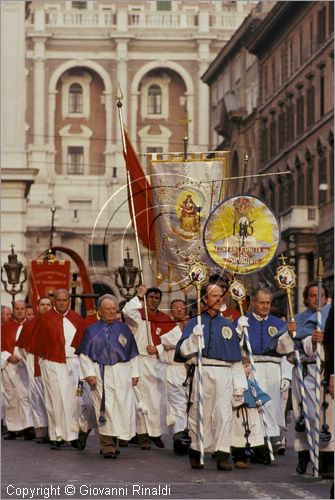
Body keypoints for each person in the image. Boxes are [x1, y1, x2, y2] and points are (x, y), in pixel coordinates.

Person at [175, 279, 247, 471]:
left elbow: (235, 359)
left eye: (220, 296)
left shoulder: (228, 325)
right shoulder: (194, 322)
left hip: (224, 374)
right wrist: (192, 339)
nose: (218, 299)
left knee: (224, 415)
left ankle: (223, 454)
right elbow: (181, 353)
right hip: (202, 370)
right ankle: (196, 451)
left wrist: (239, 385)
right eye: (214, 296)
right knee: (199, 413)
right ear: (205, 299)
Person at [272, 282, 330, 475]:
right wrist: (291, 333)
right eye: (313, 295)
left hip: (326, 371)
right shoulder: (298, 319)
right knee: (304, 415)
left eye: (320, 295)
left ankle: (324, 457)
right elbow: (283, 348)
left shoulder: (331, 316)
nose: (317, 299)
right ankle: (304, 455)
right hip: (305, 371)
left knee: (324, 417)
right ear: (307, 298)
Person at [76, 295, 139, 458]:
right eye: (108, 309)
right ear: (99, 312)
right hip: (101, 373)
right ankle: (107, 445)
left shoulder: (124, 329)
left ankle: (114, 442)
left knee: (120, 408)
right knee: (104, 408)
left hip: (122, 373)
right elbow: (84, 356)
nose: (112, 312)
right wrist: (89, 374)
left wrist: (135, 373)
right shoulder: (92, 330)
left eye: (113, 309)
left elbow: (133, 354)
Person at [123, 285, 180, 450]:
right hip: (139, 361)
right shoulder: (138, 315)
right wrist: (138, 296)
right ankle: (143, 436)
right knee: (141, 401)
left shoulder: (164, 318)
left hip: (156, 363)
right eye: (150, 297)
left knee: (158, 402)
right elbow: (127, 312)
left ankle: (156, 433)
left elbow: (177, 338)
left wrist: (158, 347)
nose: (154, 300)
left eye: (157, 298)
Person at [233, 288, 286, 454]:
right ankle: (257, 442)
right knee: (255, 406)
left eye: (268, 303)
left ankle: (272, 439)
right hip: (252, 367)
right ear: (253, 303)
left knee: (273, 406)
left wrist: (286, 375)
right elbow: (233, 345)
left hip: (273, 368)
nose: (265, 306)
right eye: (261, 302)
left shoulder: (279, 324)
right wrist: (239, 331)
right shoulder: (243, 320)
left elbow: (288, 351)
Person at [29, 289, 83, 450]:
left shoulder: (77, 318)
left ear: (69, 301)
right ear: (55, 301)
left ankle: (73, 435)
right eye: (58, 300)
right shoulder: (45, 319)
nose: (61, 303)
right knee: (55, 400)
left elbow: (84, 342)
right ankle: (57, 435)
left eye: (64, 300)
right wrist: (43, 362)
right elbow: (37, 344)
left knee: (74, 401)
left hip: (74, 363)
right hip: (52, 363)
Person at [147, 299, 189, 455]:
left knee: (191, 404)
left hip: (190, 370)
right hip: (174, 369)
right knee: (177, 405)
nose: (179, 310)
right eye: (175, 308)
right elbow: (167, 341)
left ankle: (191, 434)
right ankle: (180, 438)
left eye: (181, 307)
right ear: (171, 311)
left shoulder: (192, 326)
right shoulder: (169, 328)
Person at [16, 296, 52, 443]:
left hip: (52, 361)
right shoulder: (30, 325)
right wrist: (29, 359)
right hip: (33, 360)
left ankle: (53, 430)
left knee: (51, 395)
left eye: (48, 304)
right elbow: (22, 347)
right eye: (42, 304)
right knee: (36, 395)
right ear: (38, 307)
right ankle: (40, 430)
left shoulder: (57, 321)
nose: (45, 307)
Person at [1, 301, 34, 440]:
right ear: (14, 310)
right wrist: (8, 356)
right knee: (11, 397)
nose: (20, 311)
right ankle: (12, 428)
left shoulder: (31, 326)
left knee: (26, 395)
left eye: (22, 309)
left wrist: (21, 357)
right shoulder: (5, 327)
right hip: (9, 365)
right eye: (17, 309)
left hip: (25, 365)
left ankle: (28, 426)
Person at [231, 356, 271, 468]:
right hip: (240, 413)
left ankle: (259, 454)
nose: (248, 369)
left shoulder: (251, 383)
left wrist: (259, 401)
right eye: (245, 366)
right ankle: (239, 457)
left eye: (249, 366)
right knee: (239, 436)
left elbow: (258, 394)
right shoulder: (234, 382)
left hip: (252, 412)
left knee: (255, 435)